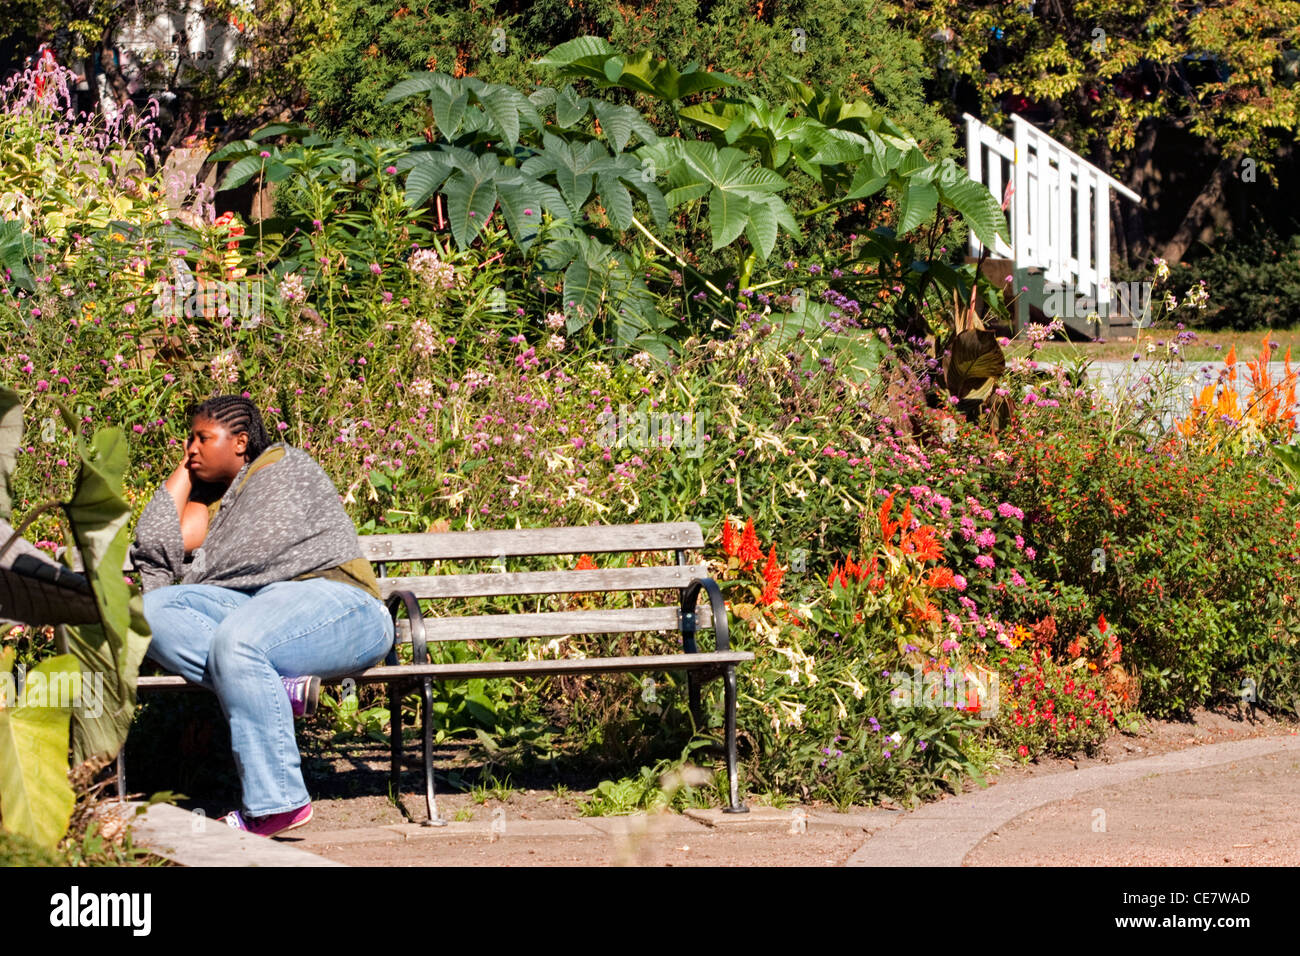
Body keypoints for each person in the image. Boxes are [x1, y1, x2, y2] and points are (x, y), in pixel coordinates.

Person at [131, 395, 394, 837]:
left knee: (239, 641)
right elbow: (158, 544)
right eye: (187, 440)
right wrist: (185, 469)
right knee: (151, 610)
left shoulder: (283, 466)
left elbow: (251, 552)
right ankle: (273, 684)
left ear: (241, 442)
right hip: (257, 613)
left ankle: (277, 804)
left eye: (202, 438)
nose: (190, 448)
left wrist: (197, 565)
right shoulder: (217, 504)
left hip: (341, 605)